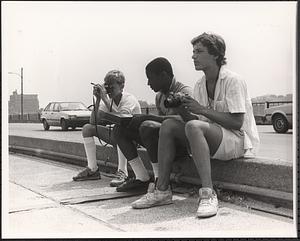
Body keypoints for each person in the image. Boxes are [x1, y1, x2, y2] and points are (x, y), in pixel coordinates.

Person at [131, 32, 260, 218]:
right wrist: (182, 109)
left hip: (236, 140)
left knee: (192, 126)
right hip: (214, 137)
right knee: (168, 124)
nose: (193, 56)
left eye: (199, 51)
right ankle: (162, 191)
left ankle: (208, 193)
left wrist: (201, 109)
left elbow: (237, 123)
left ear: (216, 54)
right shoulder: (200, 84)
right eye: (193, 51)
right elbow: (197, 120)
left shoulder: (233, 80)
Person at [112, 57, 193, 192]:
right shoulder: (160, 96)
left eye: (150, 78)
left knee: (147, 126)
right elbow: (161, 124)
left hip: (182, 146)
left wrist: (147, 117)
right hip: (165, 144)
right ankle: (142, 178)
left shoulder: (184, 92)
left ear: (163, 75)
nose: (148, 83)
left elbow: (189, 121)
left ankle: (158, 180)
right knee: (120, 129)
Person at [73, 70, 143, 187]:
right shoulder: (108, 100)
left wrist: (105, 98)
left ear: (122, 86)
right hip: (118, 135)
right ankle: (92, 169)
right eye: (107, 87)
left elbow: (122, 120)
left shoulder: (129, 99)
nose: (109, 90)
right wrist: (98, 100)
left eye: (112, 87)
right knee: (87, 128)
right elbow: (93, 122)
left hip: (134, 138)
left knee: (119, 128)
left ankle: (122, 171)